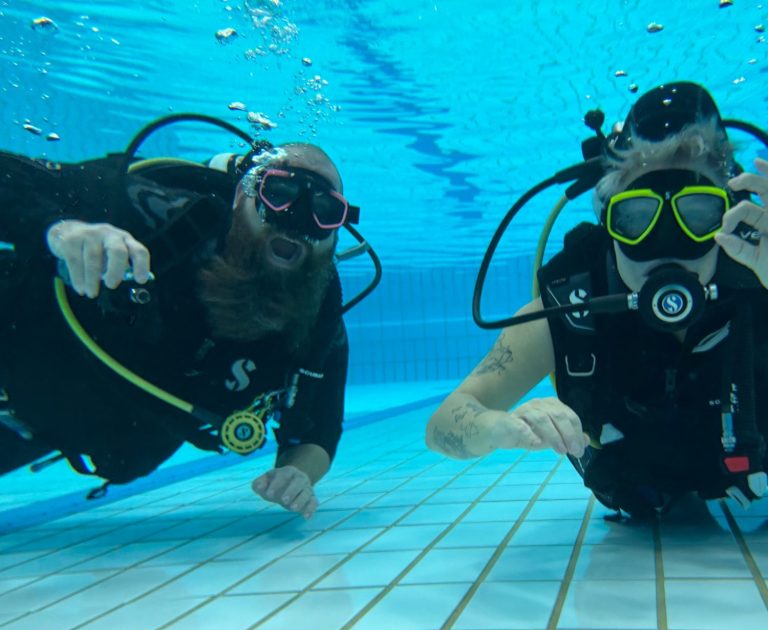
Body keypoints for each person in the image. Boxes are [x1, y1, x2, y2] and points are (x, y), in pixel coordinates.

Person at [427, 82, 768, 520]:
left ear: (732, 215)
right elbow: (442, 425)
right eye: (637, 218)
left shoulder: (758, 285)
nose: (666, 245)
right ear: (608, 220)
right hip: (633, 492)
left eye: (698, 213)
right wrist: (499, 427)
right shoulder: (569, 310)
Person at [0, 117, 372, 519]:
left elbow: (318, 428)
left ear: (337, 231)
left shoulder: (314, 317)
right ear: (239, 199)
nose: (298, 219)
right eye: (278, 193)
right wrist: (60, 229)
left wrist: (298, 474)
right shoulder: (157, 214)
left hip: (37, 432)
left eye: (324, 210)